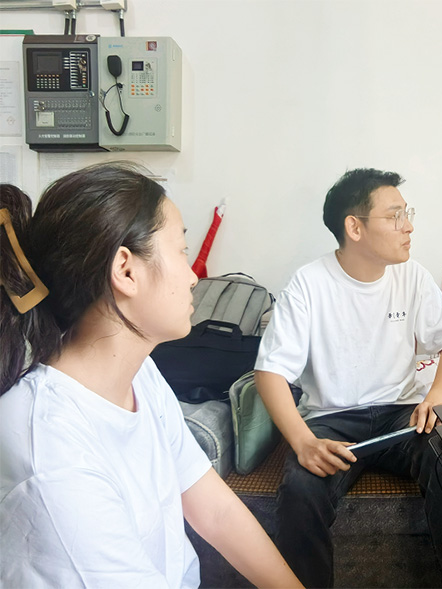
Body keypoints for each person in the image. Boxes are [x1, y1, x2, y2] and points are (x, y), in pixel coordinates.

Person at [0, 163, 302, 588]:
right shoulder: (51, 454)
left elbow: (214, 510)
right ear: (126, 270)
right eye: (181, 251)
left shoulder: (140, 375)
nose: (194, 277)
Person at [255, 168, 442, 587]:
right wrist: (303, 441)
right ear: (354, 227)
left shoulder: (412, 276)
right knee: (301, 491)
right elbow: (270, 372)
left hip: (401, 415)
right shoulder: (309, 284)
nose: (408, 226)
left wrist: (437, 397)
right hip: (331, 420)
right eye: (394, 216)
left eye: (407, 214)